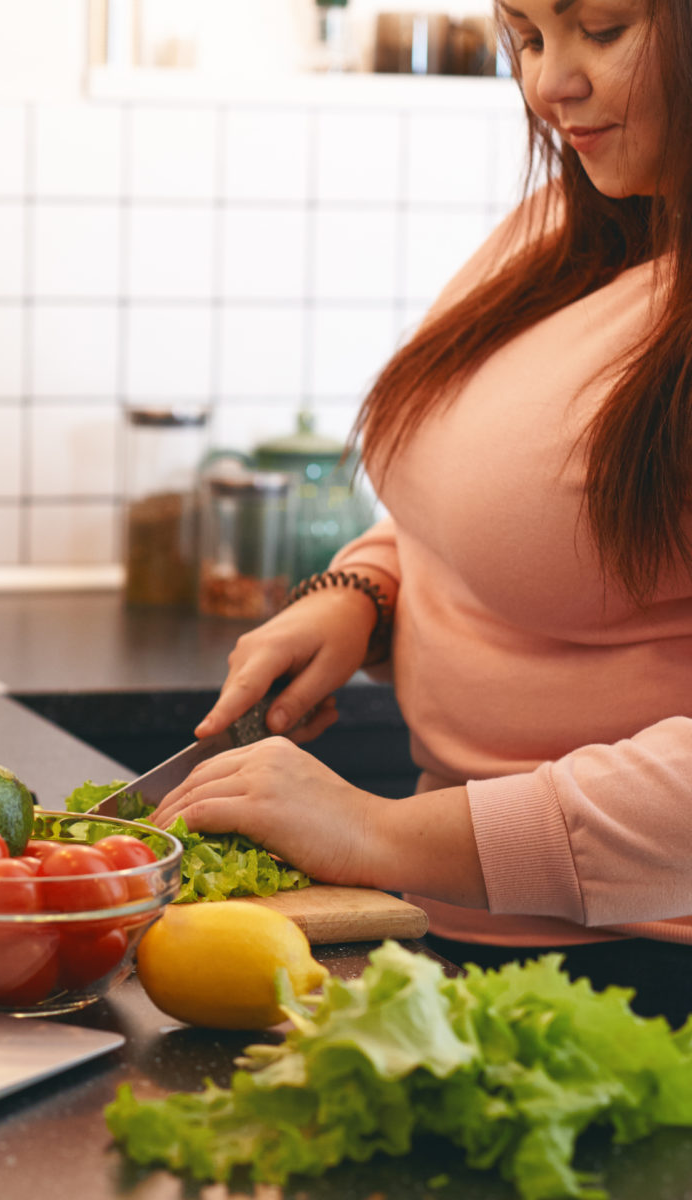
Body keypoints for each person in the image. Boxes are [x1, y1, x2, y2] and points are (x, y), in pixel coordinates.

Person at [151, 0, 692, 1026]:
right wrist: (364, 587)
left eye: (604, 30)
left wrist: (381, 835)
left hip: (642, 988)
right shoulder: (580, 221)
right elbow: (481, 494)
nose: (549, 84)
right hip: (461, 943)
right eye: (528, 38)